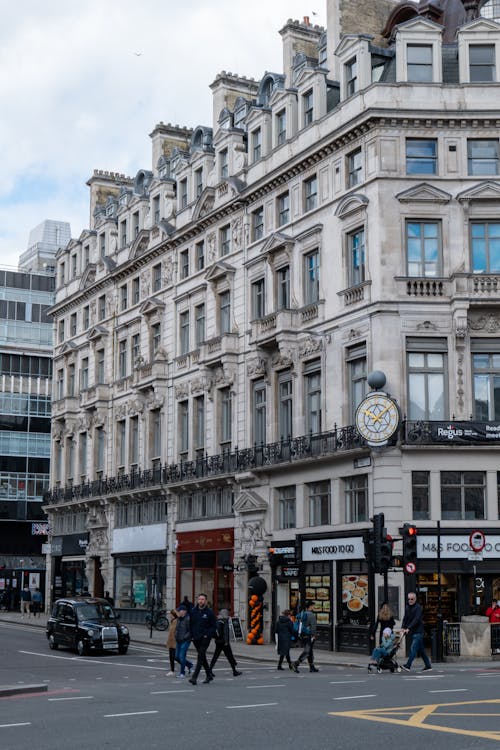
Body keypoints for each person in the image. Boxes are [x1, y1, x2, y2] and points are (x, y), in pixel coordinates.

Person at [188, 593, 217, 685]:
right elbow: (190, 624)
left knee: (200, 656)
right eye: (199, 599)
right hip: (195, 637)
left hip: (205, 638)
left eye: (203, 599)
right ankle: (209, 675)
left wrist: (207, 635)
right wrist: (191, 635)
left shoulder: (209, 612)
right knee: (202, 656)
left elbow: (214, 626)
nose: (201, 601)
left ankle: (194, 677)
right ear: (197, 600)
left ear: (206, 601)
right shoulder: (193, 611)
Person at [401, 592, 432, 672]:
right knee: (421, 650)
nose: (410, 600)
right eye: (409, 599)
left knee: (413, 648)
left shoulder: (418, 608)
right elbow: (405, 618)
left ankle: (408, 665)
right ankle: (428, 666)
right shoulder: (407, 607)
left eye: (412, 599)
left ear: (415, 599)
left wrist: (408, 628)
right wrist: (403, 627)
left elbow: (416, 620)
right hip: (413, 632)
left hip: (418, 631)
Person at [209, 609, 242, 677]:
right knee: (229, 656)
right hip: (224, 642)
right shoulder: (225, 620)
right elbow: (226, 632)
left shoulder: (217, 620)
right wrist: (226, 641)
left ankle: (209, 670)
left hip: (218, 641)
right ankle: (234, 671)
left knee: (215, 656)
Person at [293, 600, 319, 673]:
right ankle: (296, 663)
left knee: (310, 651)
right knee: (307, 651)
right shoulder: (311, 615)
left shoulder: (303, 613)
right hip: (309, 635)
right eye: (313, 606)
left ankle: (312, 667)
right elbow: (313, 627)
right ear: (310, 606)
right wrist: (313, 635)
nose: (314, 607)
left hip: (302, 634)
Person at [174, 604, 193, 679]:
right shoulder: (179, 618)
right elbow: (177, 629)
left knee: (181, 657)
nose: (178, 612)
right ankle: (189, 665)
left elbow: (190, 630)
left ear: (184, 611)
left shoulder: (188, 619)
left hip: (185, 641)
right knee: (176, 657)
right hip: (178, 640)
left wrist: (184, 637)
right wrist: (176, 635)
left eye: (180, 610)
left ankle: (182, 673)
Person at [166, 608, 178, 676]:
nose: (170, 615)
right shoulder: (172, 621)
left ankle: (188, 664)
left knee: (175, 657)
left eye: (171, 614)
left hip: (175, 641)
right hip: (171, 641)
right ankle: (172, 670)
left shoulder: (176, 621)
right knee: (171, 656)